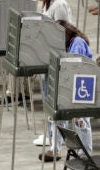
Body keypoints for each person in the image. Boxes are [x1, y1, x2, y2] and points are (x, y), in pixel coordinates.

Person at [38, 20, 95, 162]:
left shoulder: (78, 43)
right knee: (57, 117)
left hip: (82, 84)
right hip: (66, 83)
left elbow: (73, 66)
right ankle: (54, 149)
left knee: (80, 120)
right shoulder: (64, 44)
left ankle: (85, 154)